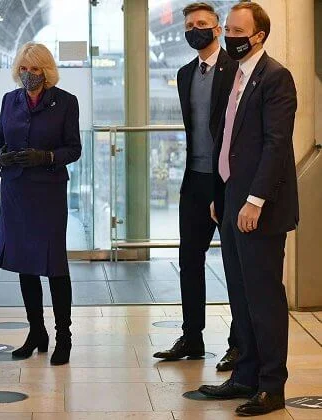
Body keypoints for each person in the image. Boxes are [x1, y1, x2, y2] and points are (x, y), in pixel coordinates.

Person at [198, 3, 298, 416]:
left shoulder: (275, 78)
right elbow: (229, 141)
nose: (230, 36)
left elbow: (276, 145)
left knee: (264, 297)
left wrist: (254, 200)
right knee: (240, 295)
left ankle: (272, 387)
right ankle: (245, 376)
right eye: (229, 29)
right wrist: (221, 195)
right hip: (230, 197)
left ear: (258, 35)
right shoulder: (235, 76)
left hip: (260, 205)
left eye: (238, 30)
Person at [153, 2, 239, 372]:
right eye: (190, 25)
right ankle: (193, 337)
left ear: (217, 28)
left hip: (230, 181)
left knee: (235, 264)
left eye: (202, 23)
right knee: (189, 259)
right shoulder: (185, 73)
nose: (195, 29)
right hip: (195, 180)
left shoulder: (236, 70)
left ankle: (240, 342)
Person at [0, 42, 81, 366]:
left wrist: (46, 157)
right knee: (25, 264)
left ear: (47, 71)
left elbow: (74, 149)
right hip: (16, 191)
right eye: (24, 69)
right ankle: (36, 332)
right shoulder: (9, 101)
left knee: (54, 265)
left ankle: (64, 337)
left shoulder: (66, 102)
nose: (29, 74)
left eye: (36, 69)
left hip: (48, 193)